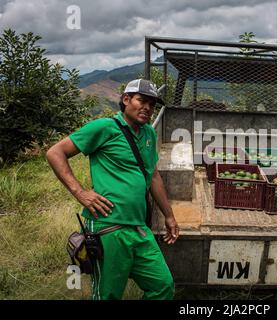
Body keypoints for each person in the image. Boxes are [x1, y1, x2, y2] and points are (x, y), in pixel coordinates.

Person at [46, 79, 179, 300]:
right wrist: (80, 193)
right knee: (108, 294)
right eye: (142, 101)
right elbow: (55, 153)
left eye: (152, 104)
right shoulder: (104, 128)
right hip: (109, 226)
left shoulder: (148, 134)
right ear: (126, 100)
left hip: (139, 228)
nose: (147, 108)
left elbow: (153, 176)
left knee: (163, 286)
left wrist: (169, 215)